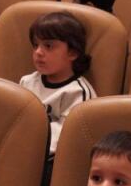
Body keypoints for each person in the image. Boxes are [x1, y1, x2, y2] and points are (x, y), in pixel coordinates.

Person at [19, 11, 97, 154]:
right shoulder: (27, 82)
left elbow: (67, 138)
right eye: (36, 45)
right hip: (21, 149)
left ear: (72, 53)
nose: (38, 52)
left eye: (48, 46)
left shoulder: (79, 92)